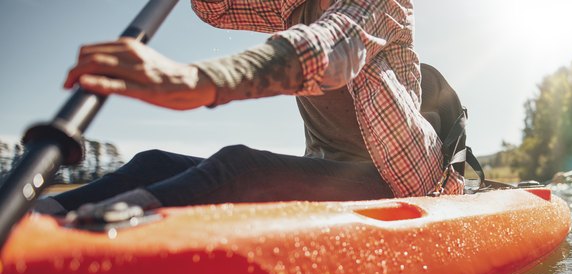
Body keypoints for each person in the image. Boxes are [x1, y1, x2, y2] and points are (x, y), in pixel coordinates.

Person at [33, 0, 463, 220]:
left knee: (241, 167)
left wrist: (194, 81)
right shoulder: (291, 4)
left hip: (399, 182)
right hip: (330, 172)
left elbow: (332, 47)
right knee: (152, 163)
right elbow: (215, 7)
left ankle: (92, 240)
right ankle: (39, 219)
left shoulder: (385, 4)